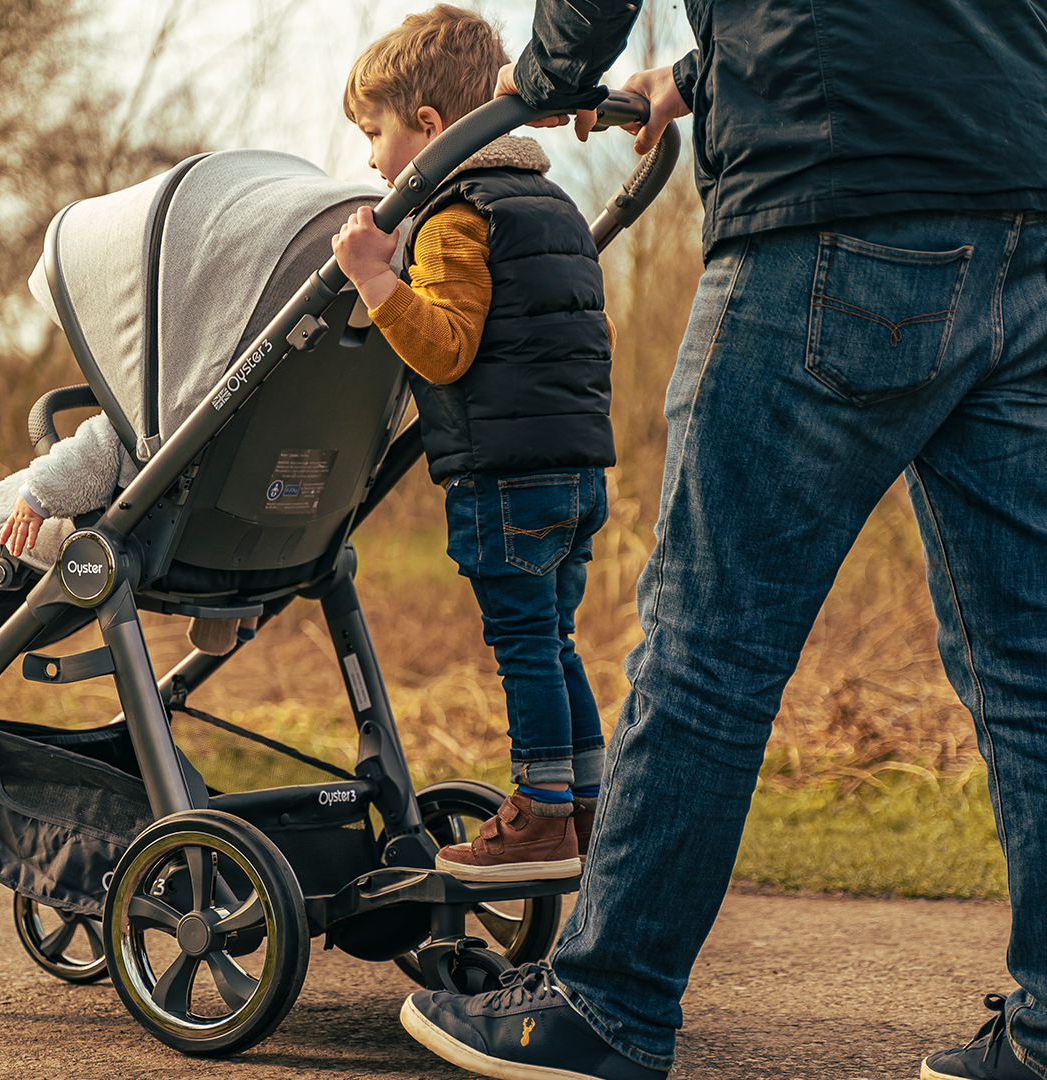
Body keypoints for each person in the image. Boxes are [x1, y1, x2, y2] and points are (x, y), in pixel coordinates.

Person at [397, 1, 1047, 1079]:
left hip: (830, 203)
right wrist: (700, 72)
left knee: (711, 648)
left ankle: (604, 1008)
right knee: (1031, 663)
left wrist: (554, 68)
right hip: (1025, 205)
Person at [332, 4, 618, 881]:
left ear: (425, 130)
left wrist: (376, 275)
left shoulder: (457, 215)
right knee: (554, 638)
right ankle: (588, 805)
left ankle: (536, 810)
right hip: (573, 470)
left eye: (374, 134)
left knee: (524, 645)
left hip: (505, 479)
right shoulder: (548, 201)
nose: (370, 158)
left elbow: (447, 349)